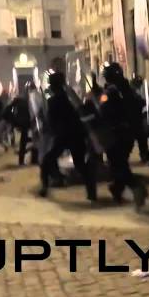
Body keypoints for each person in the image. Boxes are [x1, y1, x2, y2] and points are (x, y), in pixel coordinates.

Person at [36, 71, 96, 201]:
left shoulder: (54, 100)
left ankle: (44, 187)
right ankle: (92, 192)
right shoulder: (70, 96)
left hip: (64, 135)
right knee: (80, 164)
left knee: (47, 161)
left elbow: (50, 120)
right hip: (76, 134)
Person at [100, 62, 149, 209]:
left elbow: (103, 111)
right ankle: (116, 189)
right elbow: (139, 103)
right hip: (128, 134)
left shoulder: (110, 92)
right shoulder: (128, 89)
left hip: (115, 134)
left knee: (118, 164)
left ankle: (136, 187)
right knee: (119, 163)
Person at [4, 84, 34, 166]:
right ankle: (22, 160)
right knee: (23, 141)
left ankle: (24, 158)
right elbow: (7, 109)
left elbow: (7, 109)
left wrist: (12, 119)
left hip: (24, 123)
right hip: (25, 123)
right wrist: (12, 119)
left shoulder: (21, 100)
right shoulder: (23, 100)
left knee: (24, 141)